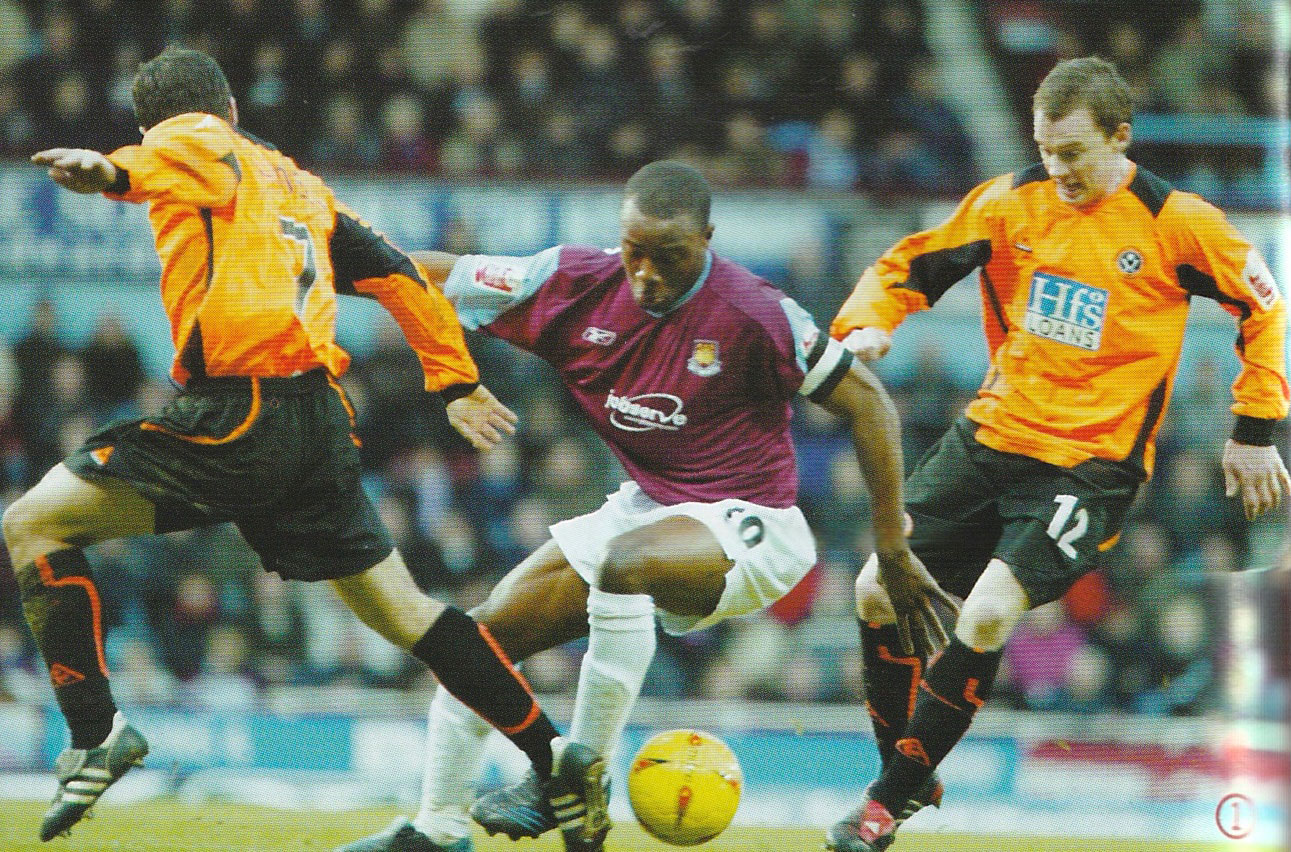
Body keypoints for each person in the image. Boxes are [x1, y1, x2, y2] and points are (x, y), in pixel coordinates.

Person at [8, 47, 607, 849]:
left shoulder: (191, 142)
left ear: (166, 121)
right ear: (232, 102)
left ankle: (94, 731)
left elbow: (161, 158)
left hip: (239, 410)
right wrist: (453, 380)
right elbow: (396, 272)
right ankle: (555, 753)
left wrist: (109, 172)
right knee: (411, 615)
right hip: (316, 423)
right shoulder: (295, 183)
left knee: (33, 525)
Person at [335, 159, 958, 852]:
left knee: (622, 563)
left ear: (708, 240)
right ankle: (438, 829)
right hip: (650, 506)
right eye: (635, 254)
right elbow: (434, 275)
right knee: (476, 645)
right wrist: (313, 272)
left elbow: (868, 400)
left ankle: (571, 777)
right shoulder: (568, 282)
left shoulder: (754, 311)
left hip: (755, 526)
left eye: (671, 257)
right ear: (618, 240)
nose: (648, 275)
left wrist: (890, 545)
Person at [825, 56, 1289, 851]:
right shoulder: (1011, 204)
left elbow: (1265, 307)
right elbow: (907, 264)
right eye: (1045, 150)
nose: (1057, 169)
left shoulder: (1176, 223)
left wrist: (1252, 430)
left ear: (1120, 137)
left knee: (988, 609)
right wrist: (864, 326)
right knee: (873, 590)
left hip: (1089, 467)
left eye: (1072, 152)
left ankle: (883, 802)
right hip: (989, 438)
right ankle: (903, 772)